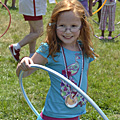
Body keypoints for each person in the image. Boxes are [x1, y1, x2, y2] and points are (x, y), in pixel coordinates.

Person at [16, 0, 98, 119]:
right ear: (54, 26)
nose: (67, 31)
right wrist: (23, 64)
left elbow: (83, 77)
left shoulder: (85, 50)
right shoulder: (50, 49)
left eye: (73, 26)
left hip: (76, 113)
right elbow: (24, 73)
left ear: (82, 26)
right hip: (53, 114)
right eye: (62, 26)